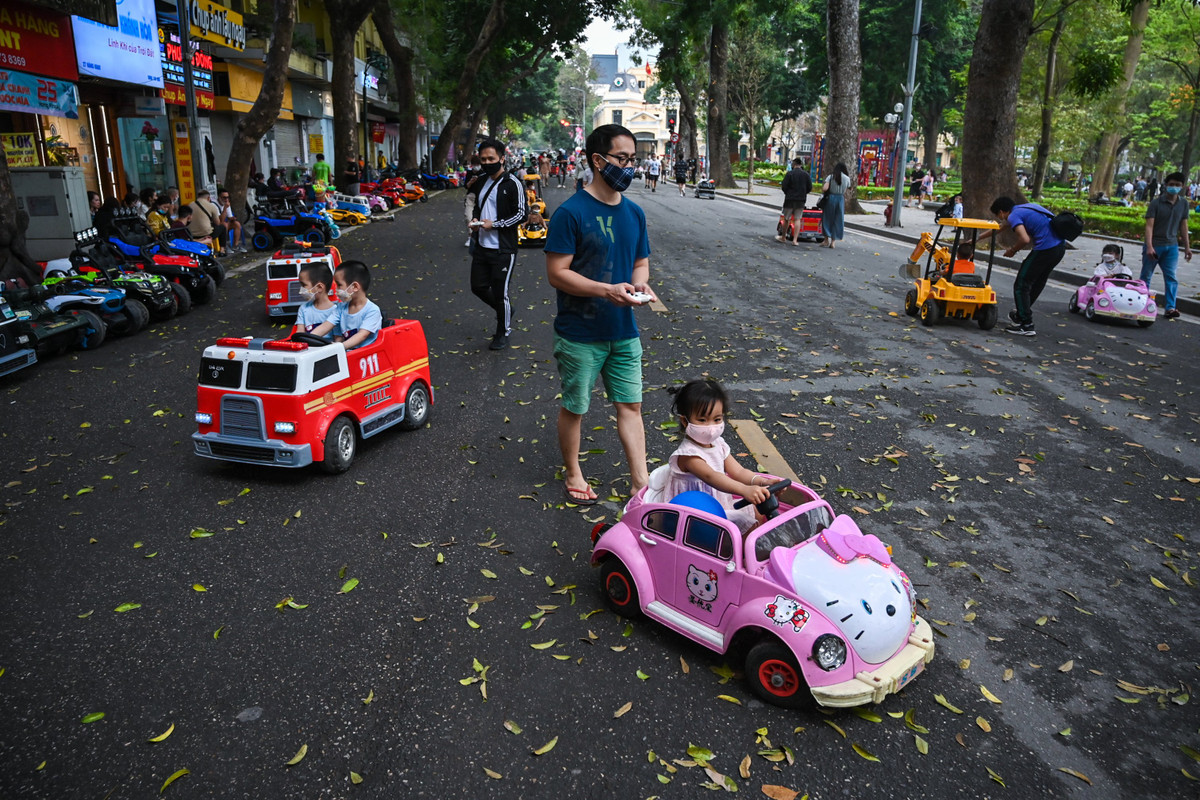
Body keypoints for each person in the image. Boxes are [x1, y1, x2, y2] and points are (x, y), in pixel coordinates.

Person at [544, 123, 656, 504]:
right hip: (580, 333)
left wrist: (638, 285)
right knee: (576, 406)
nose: (629, 167)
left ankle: (640, 483)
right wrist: (605, 290)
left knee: (631, 405)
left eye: (633, 160)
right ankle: (573, 471)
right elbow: (557, 273)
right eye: (621, 159)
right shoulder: (570, 213)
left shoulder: (635, 213)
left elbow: (640, 263)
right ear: (597, 160)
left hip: (624, 330)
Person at [664, 378, 770, 532]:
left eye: (717, 419)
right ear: (685, 421)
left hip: (719, 504)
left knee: (759, 509)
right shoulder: (688, 455)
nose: (711, 427)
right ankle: (742, 554)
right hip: (695, 514)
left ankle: (748, 547)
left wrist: (761, 481)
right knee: (748, 525)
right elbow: (712, 477)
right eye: (702, 420)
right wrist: (744, 490)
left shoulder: (718, 444)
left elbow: (738, 471)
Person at [468, 137, 526, 350]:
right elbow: (478, 206)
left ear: (502, 159)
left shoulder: (513, 183)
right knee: (478, 287)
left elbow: (521, 214)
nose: (486, 162)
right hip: (482, 246)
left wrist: (497, 224)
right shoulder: (482, 180)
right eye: (482, 159)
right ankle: (506, 310)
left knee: (501, 293)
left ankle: (503, 332)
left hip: (503, 248)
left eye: (490, 158)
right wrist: (475, 220)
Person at [979, 196, 1067, 336]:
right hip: (1059, 248)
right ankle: (1021, 315)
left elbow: (1024, 239)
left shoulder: (1014, 216)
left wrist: (1012, 250)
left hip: (1044, 250)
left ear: (1001, 212)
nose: (1000, 219)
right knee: (1037, 282)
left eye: (998, 216)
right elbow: (999, 229)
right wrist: (976, 239)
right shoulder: (1027, 208)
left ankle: (1026, 324)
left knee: (1022, 284)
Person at [1141, 171, 1191, 319]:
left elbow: (1184, 225)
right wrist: (1149, 246)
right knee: (1146, 276)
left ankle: (1170, 307)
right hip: (1155, 245)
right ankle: (1142, 303)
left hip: (1172, 246)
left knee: (1171, 277)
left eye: (1177, 185)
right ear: (1166, 185)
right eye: (1171, 184)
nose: (1174, 187)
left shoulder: (1183, 204)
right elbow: (1149, 226)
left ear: (1182, 186)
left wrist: (1187, 247)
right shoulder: (1156, 203)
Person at [309, 261, 381, 349]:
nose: (336, 289)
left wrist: (337, 348)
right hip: (347, 352)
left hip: (366, 355)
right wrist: (308, 339)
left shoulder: (372, 311)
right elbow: (326, 325)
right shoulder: (341, 308)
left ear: (355, 286)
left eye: (339, 285)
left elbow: (362, 335)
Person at [294, 261, 339, 336]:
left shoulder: (336, 312)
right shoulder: (303, 309)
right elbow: (300, 334)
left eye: (304, 285)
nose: (301, 290)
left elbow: (338, 339)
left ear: (319, 287)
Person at [777, 157, 813, 246]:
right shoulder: (806, 175)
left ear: (794, 164)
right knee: (797, 219)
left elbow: (784, 187)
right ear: (801, 165)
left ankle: (783, 237)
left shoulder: (790, 174)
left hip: (789, 199)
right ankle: (795, 240)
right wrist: (803, 193)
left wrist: (788, 193)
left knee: (786, 219)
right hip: (800, 200)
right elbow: (810, 188)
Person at [820, 162, 851, 249]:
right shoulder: (847, 178)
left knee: (827, 218)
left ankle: (826, 240)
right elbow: (848, 188)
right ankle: (833, 242)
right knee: (837, 219)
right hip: (840, 199)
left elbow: (825, 188)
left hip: (830, 198)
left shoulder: (831, 177)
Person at [462, 154, 484, 247]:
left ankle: (482, 236)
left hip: (482, 197)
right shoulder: (470, 173)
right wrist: (471, 181)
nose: (476, 166)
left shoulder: (484, 173)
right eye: (474, 164)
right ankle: (470, 236)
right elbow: (466, 186)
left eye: (477, 164)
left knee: (482, 217)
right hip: (471, 196)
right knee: (468, 216)